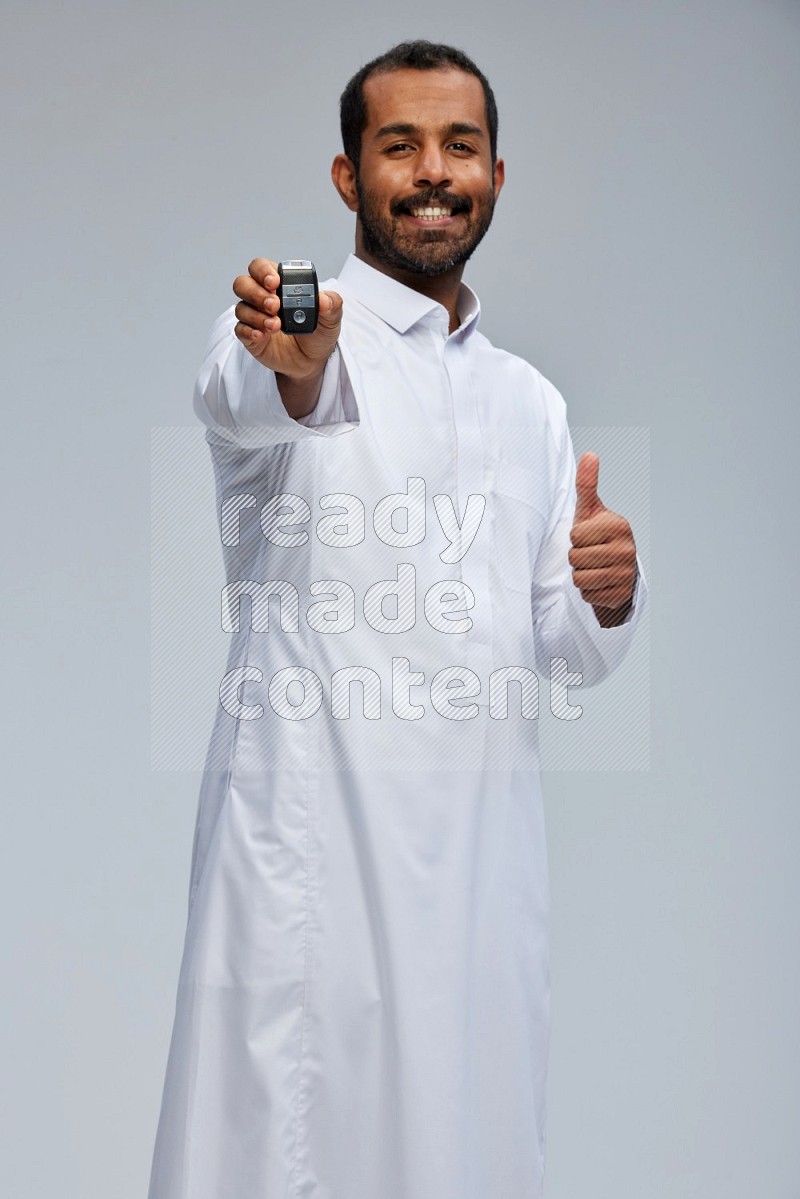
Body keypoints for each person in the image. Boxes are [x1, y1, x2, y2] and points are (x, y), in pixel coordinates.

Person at [147, 39, 647, 1199]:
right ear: (345, 176)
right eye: (398, 145)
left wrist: (604, 597)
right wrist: (297, 365)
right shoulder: (277, 333)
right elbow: (254, 398)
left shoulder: (528, 399)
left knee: (466, 1148)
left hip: (477, 872)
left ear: (495, 176)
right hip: (311, 871)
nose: (431, 171)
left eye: (457, 146)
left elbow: (553, 646)